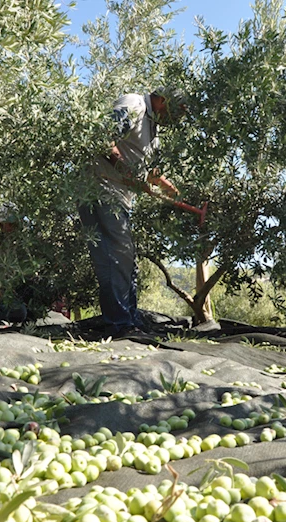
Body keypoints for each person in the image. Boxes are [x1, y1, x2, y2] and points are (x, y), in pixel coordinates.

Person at [79, 87, 186, 338]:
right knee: (116, 258)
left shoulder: (153, 126)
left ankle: (129, 320)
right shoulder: (134, 105)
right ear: (161, 99)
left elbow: (147, 168)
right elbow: (102, 138)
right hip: (100, 189)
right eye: (170, 111)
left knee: (126, 260)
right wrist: (127, 173)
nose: (170, 118)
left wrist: (166, 185)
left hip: (119, 196)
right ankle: (119, 325)